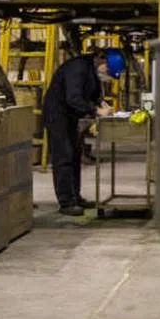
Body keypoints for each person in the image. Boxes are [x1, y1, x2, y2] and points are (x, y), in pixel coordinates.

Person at [43, 47, 126, 216]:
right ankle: (66, 203)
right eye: (108, 70)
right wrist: (95, 111)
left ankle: (75, 197)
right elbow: (73, 98)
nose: (107, 74)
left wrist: (101, 103)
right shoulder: (78, 68)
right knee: (63, 156)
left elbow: (94, 94)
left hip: (70, 116)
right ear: (101, 60)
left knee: (74, 155)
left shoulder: (90, 70)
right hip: (57, 115)